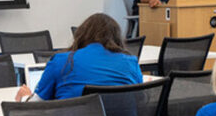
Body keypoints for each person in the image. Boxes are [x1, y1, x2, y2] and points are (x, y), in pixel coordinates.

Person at [14, 13, 142, 101]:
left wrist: (25, 97)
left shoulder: (61, 61)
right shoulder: (131, 62)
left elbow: (35, 108)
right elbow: (140, 99)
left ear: (81, 35)